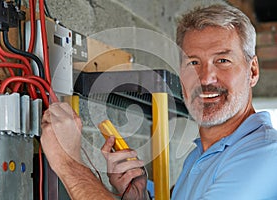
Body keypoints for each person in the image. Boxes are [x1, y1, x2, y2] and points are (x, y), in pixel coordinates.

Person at [40, 2, 277, 200]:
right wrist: (140, 195)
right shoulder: (200, 157)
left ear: (253, 70)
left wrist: (68, 163)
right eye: (193, 63)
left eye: (223, 60)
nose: (205, 78)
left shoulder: (266, 156)